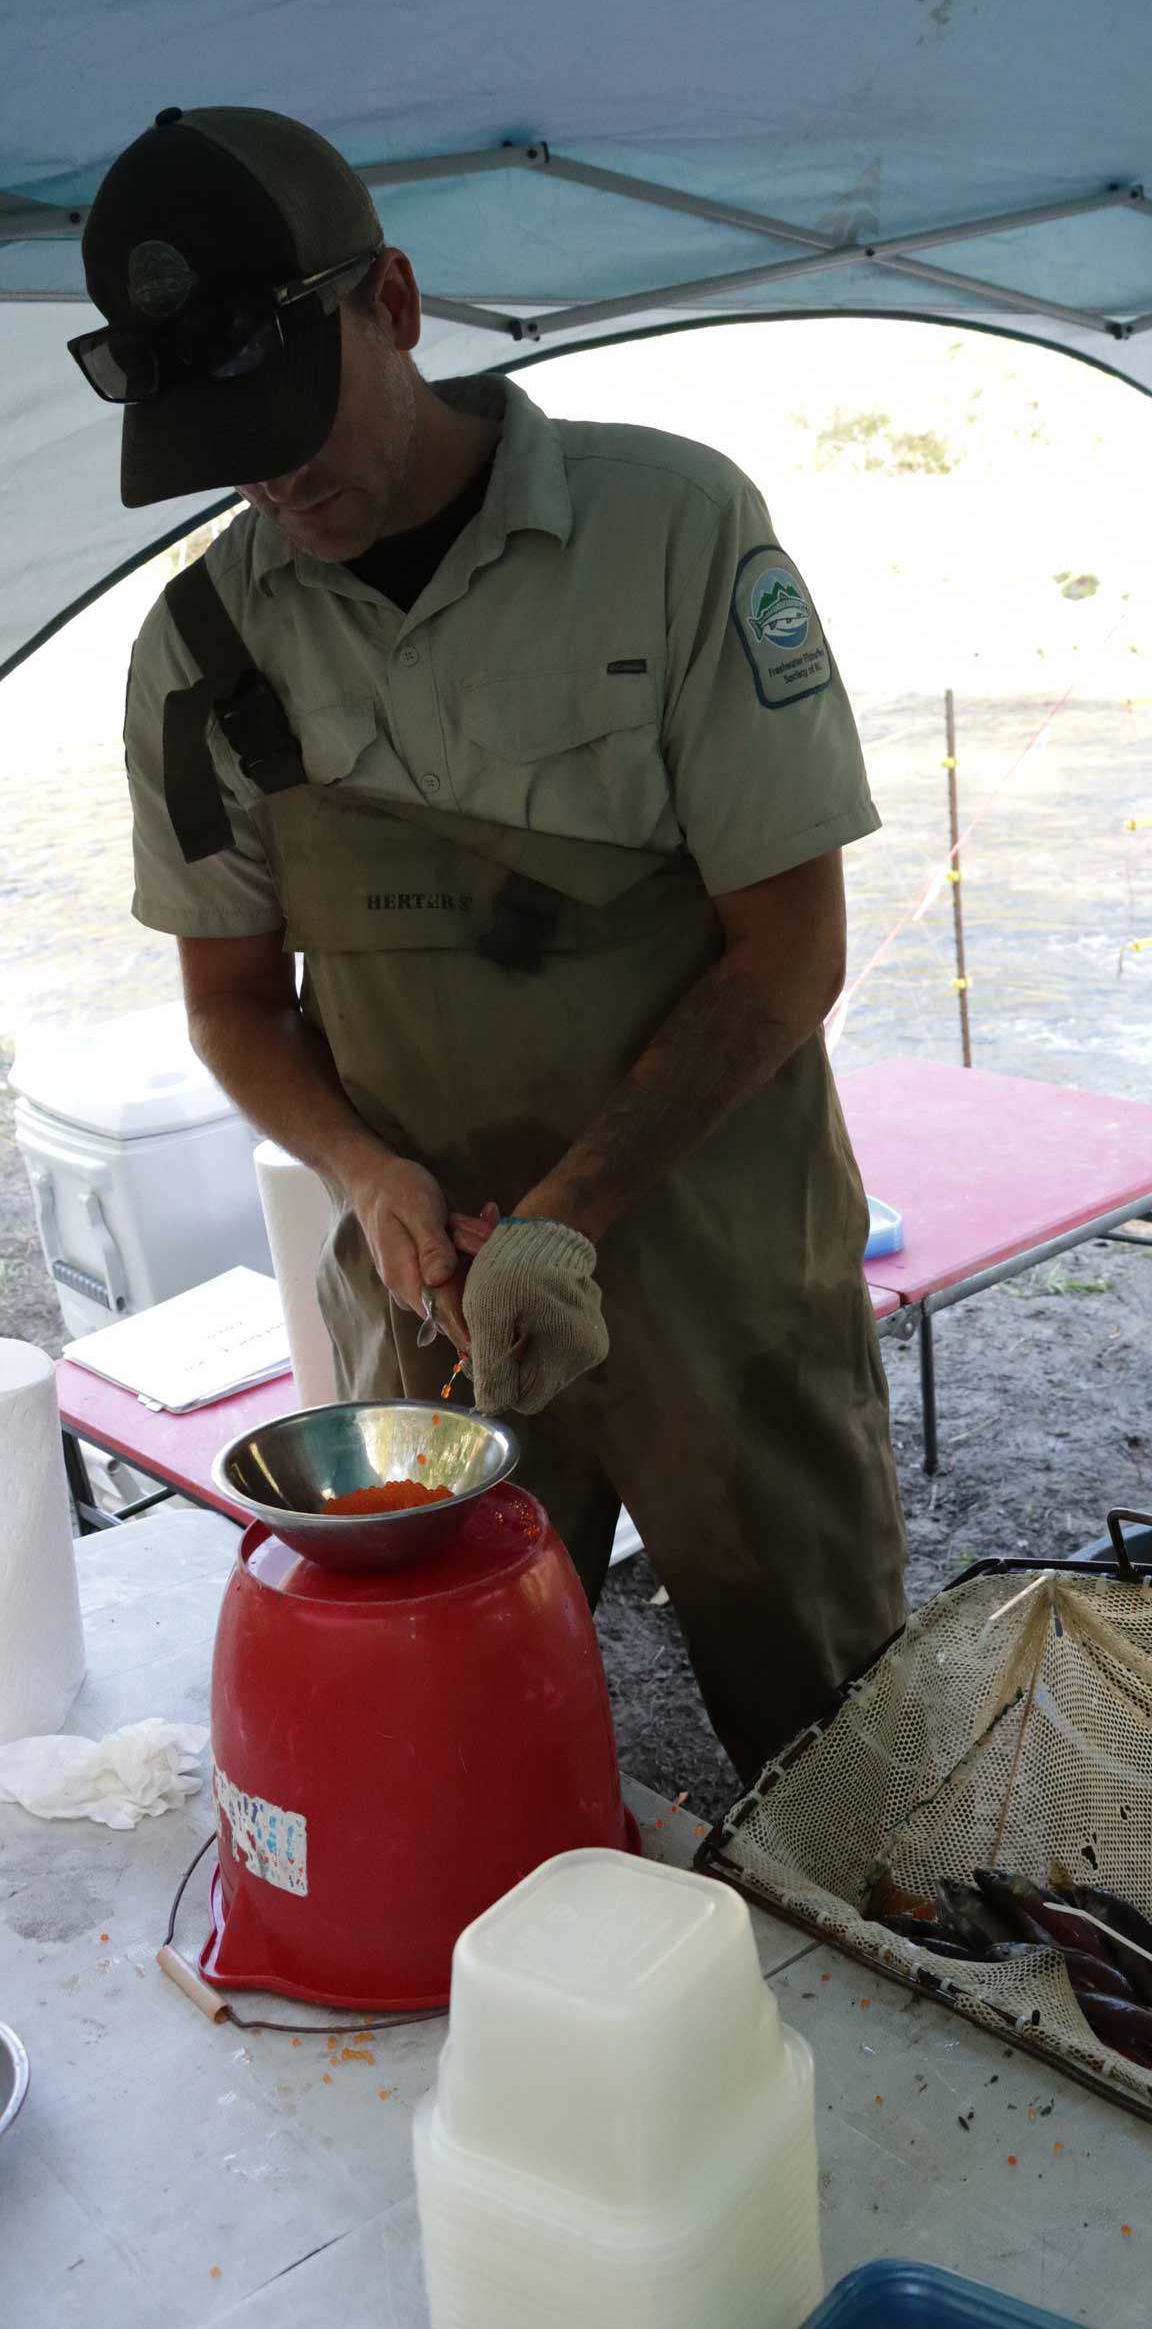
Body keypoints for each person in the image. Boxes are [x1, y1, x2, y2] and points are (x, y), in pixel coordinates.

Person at [72, 105, 907, 1780]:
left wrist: (576, 1214)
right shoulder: (200, 650)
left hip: (716, 1254)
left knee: (836, 1733)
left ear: (393, 301)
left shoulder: (670, 532)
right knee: (441, 1732)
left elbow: (790, 952)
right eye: (225, 447)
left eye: (295, 418)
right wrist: (365, 1177)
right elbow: (235, 1003)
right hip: (431, 1281)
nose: (276, 479)